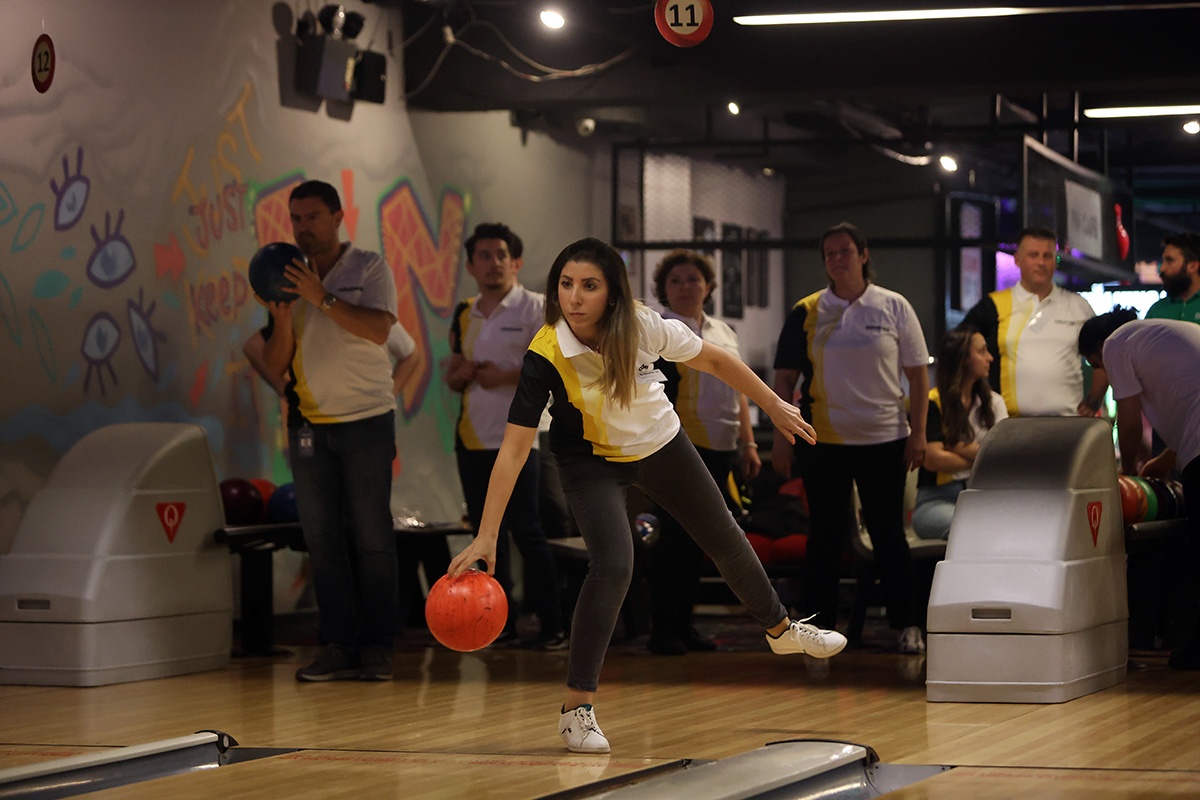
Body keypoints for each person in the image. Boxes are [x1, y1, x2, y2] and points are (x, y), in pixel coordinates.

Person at [447, 237, 846, 754]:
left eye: (589, 285)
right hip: (590, 461)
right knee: (614, 564)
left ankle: (781, 628)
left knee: (723, 533)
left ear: (612, 293)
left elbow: (716, 360)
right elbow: (515, 447)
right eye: (566, 284)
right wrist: (486, 534)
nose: (574, 297)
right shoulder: (546, 352)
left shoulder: (642, 324)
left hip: (661, 444)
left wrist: (772, 405)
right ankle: (576, 710)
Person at [255, 179, 400, 682]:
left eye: (313, 217)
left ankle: (378, 647)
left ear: (337, 218)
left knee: (372, 539)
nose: (303, 227)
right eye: (296, 219)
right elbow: (274, 364)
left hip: (367, 421)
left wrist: (322, 298)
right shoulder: (283, 274)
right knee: (321, 542)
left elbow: (379, 330)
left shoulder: (369, 267)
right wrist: (283, 319)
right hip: (309, 426)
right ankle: (338, 645)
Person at [772, 221, 929, 655]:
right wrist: (782, 437)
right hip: (822, 441)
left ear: (863, 255)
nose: (837, 259)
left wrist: (918, 433)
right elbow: (784, 379)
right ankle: (817, 630)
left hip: (885, 438)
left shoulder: (894, 306)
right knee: (824, 534)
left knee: (888, 533)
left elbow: (918, 376)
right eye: (830, 253)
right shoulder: (806, 311)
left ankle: (907, 625)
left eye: (845, 251)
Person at [447, 222, 565, 649]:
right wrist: (459, 373)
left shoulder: (535, 308)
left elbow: (557, 368)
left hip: (522, 440)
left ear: (515, 263)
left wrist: (507, 375)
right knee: (484, 535)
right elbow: (453, 372)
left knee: (528, 532)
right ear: (470, 266)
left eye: (501, 255)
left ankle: (552, 625)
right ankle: (499, 622)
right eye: (483, 256)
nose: (492, 263)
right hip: (472, 438)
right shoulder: (465, 312)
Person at [645, 249, 762, 656]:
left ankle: (686, 626)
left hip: (723, 448)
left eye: (693, 279)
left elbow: (740, 389)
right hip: (678, 447)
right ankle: (663, 631)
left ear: (709, 286)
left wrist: (749, 443)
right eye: (675, 281)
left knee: (701, 543)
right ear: (663, 288)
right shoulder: (659, 330)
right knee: (675, 541)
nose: (684, 287)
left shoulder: (724, 331)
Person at [1077, 311, 1200, 669]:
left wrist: (1127, 473)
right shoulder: (1159, 337)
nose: (1102, 371)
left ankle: (1194, 649)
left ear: (1099, 349)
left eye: (1096, 365)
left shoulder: (1117, 344)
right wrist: (1165, 459)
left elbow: (1129, 425)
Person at [962, 226, 1107, 417]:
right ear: (1017, 259)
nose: (1040, 262)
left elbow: (1106, 356)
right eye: (1033, 255)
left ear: (1055, 261)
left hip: (1068, 424)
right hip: (1008, 424)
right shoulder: (993, 306)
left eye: (1047, 256)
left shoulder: (1078, 306)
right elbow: (959, 352)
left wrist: (1094, 402)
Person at [912, 327, 1008, 540]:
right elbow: (934, 460)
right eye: (982, 351)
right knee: (974, 530)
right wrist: (985, 458)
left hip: (984, 499)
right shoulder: (932, 402)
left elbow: (1003, 456)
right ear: (963, 359)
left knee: (1012, 526)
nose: (990, 358)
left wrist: (955, 446)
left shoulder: (994, 403)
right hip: (936, 500)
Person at [1145, 233, 1200, 324]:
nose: (1162, 268)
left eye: (1169, 260)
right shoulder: (1156, 311)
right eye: (1163, 261)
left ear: (1192, 266)